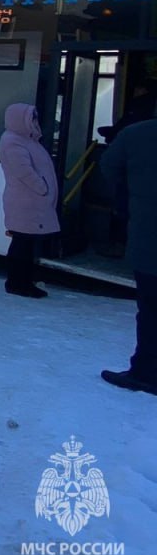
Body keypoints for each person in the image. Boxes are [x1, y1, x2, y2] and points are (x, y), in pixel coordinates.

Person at [98, 117, 157, 395]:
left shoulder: (136, 134)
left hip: (149, 239)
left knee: (150, 310)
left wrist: (127, 201)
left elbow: (108, 167)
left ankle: (145, 373)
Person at [0, 102, 58, 298]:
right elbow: (23, 170)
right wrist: (42, 188)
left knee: (26, 242)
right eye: (31, 117)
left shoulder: (25, 139)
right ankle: (17, 283)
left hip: (31, 202)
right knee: (22, 243)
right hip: (25, 202)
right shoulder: (13, 141)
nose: (34, 121)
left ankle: (23, 280)